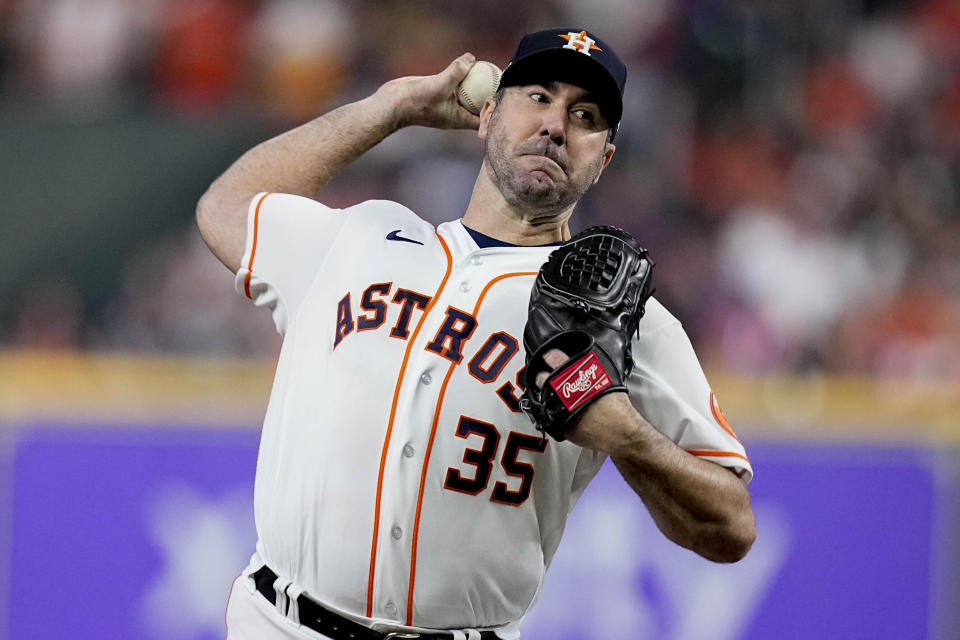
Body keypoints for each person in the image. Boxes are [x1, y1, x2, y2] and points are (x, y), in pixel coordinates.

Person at [197, 27, 755, 640]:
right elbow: (227, 206)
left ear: (604, 158)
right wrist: (390, 109)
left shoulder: (620, 318)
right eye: (537, 97)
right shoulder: (361, 237)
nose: (554, 125)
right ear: (488, 112)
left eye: (584, 115)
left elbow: (731, 527)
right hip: (278, 624)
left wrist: (627, 435)